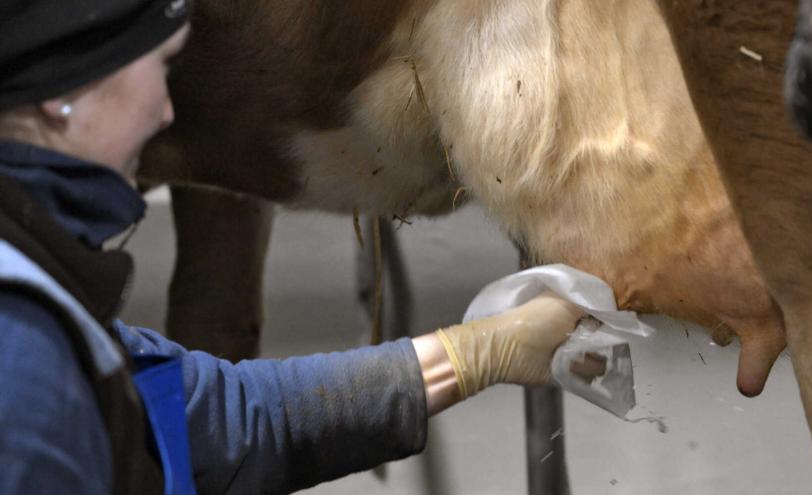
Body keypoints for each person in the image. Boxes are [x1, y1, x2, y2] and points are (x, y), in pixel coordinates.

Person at [0, 1, 587, 493]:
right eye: (161, 64)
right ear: (65, 92)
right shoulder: (26, 368)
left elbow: (217, 423)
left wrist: (473, 355)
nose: (166, 108)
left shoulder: (41, 310)